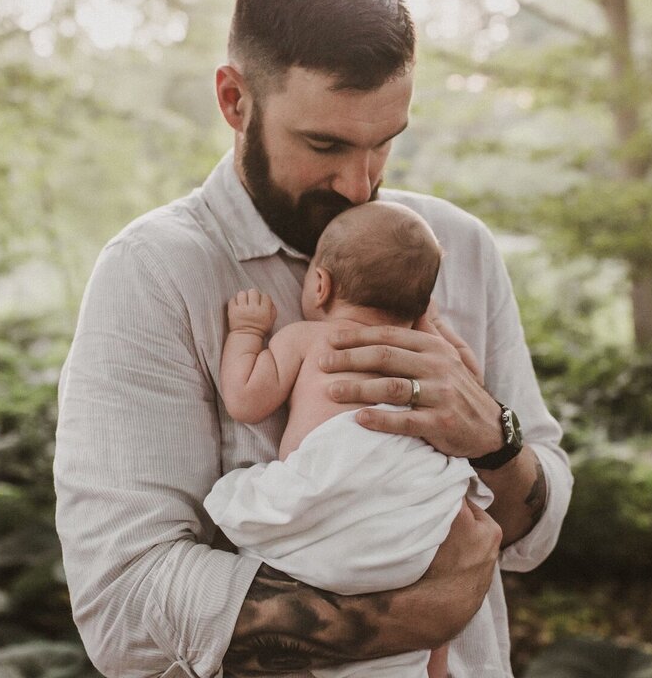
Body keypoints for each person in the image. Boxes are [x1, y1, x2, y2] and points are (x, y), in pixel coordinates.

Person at [54, 0, 574, 678]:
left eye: (385, 142)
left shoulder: (457, 247)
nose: (361, 186)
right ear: (235, 100)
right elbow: (123, 601)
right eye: (324, 144)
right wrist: (398, 622)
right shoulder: (153, 273)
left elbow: (533, 534)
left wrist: (495, 436)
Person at [207, 201, 492, 678]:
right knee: (430, 625)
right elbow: (474, 387)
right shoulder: (430, 354)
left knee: (252, 510)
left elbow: (245, 400)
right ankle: (433, 665)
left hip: (329, 528)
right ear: (422, 305)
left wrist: (246, 331)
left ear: (320, 284)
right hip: (413, 533)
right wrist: (435, 328)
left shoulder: (307, 338)